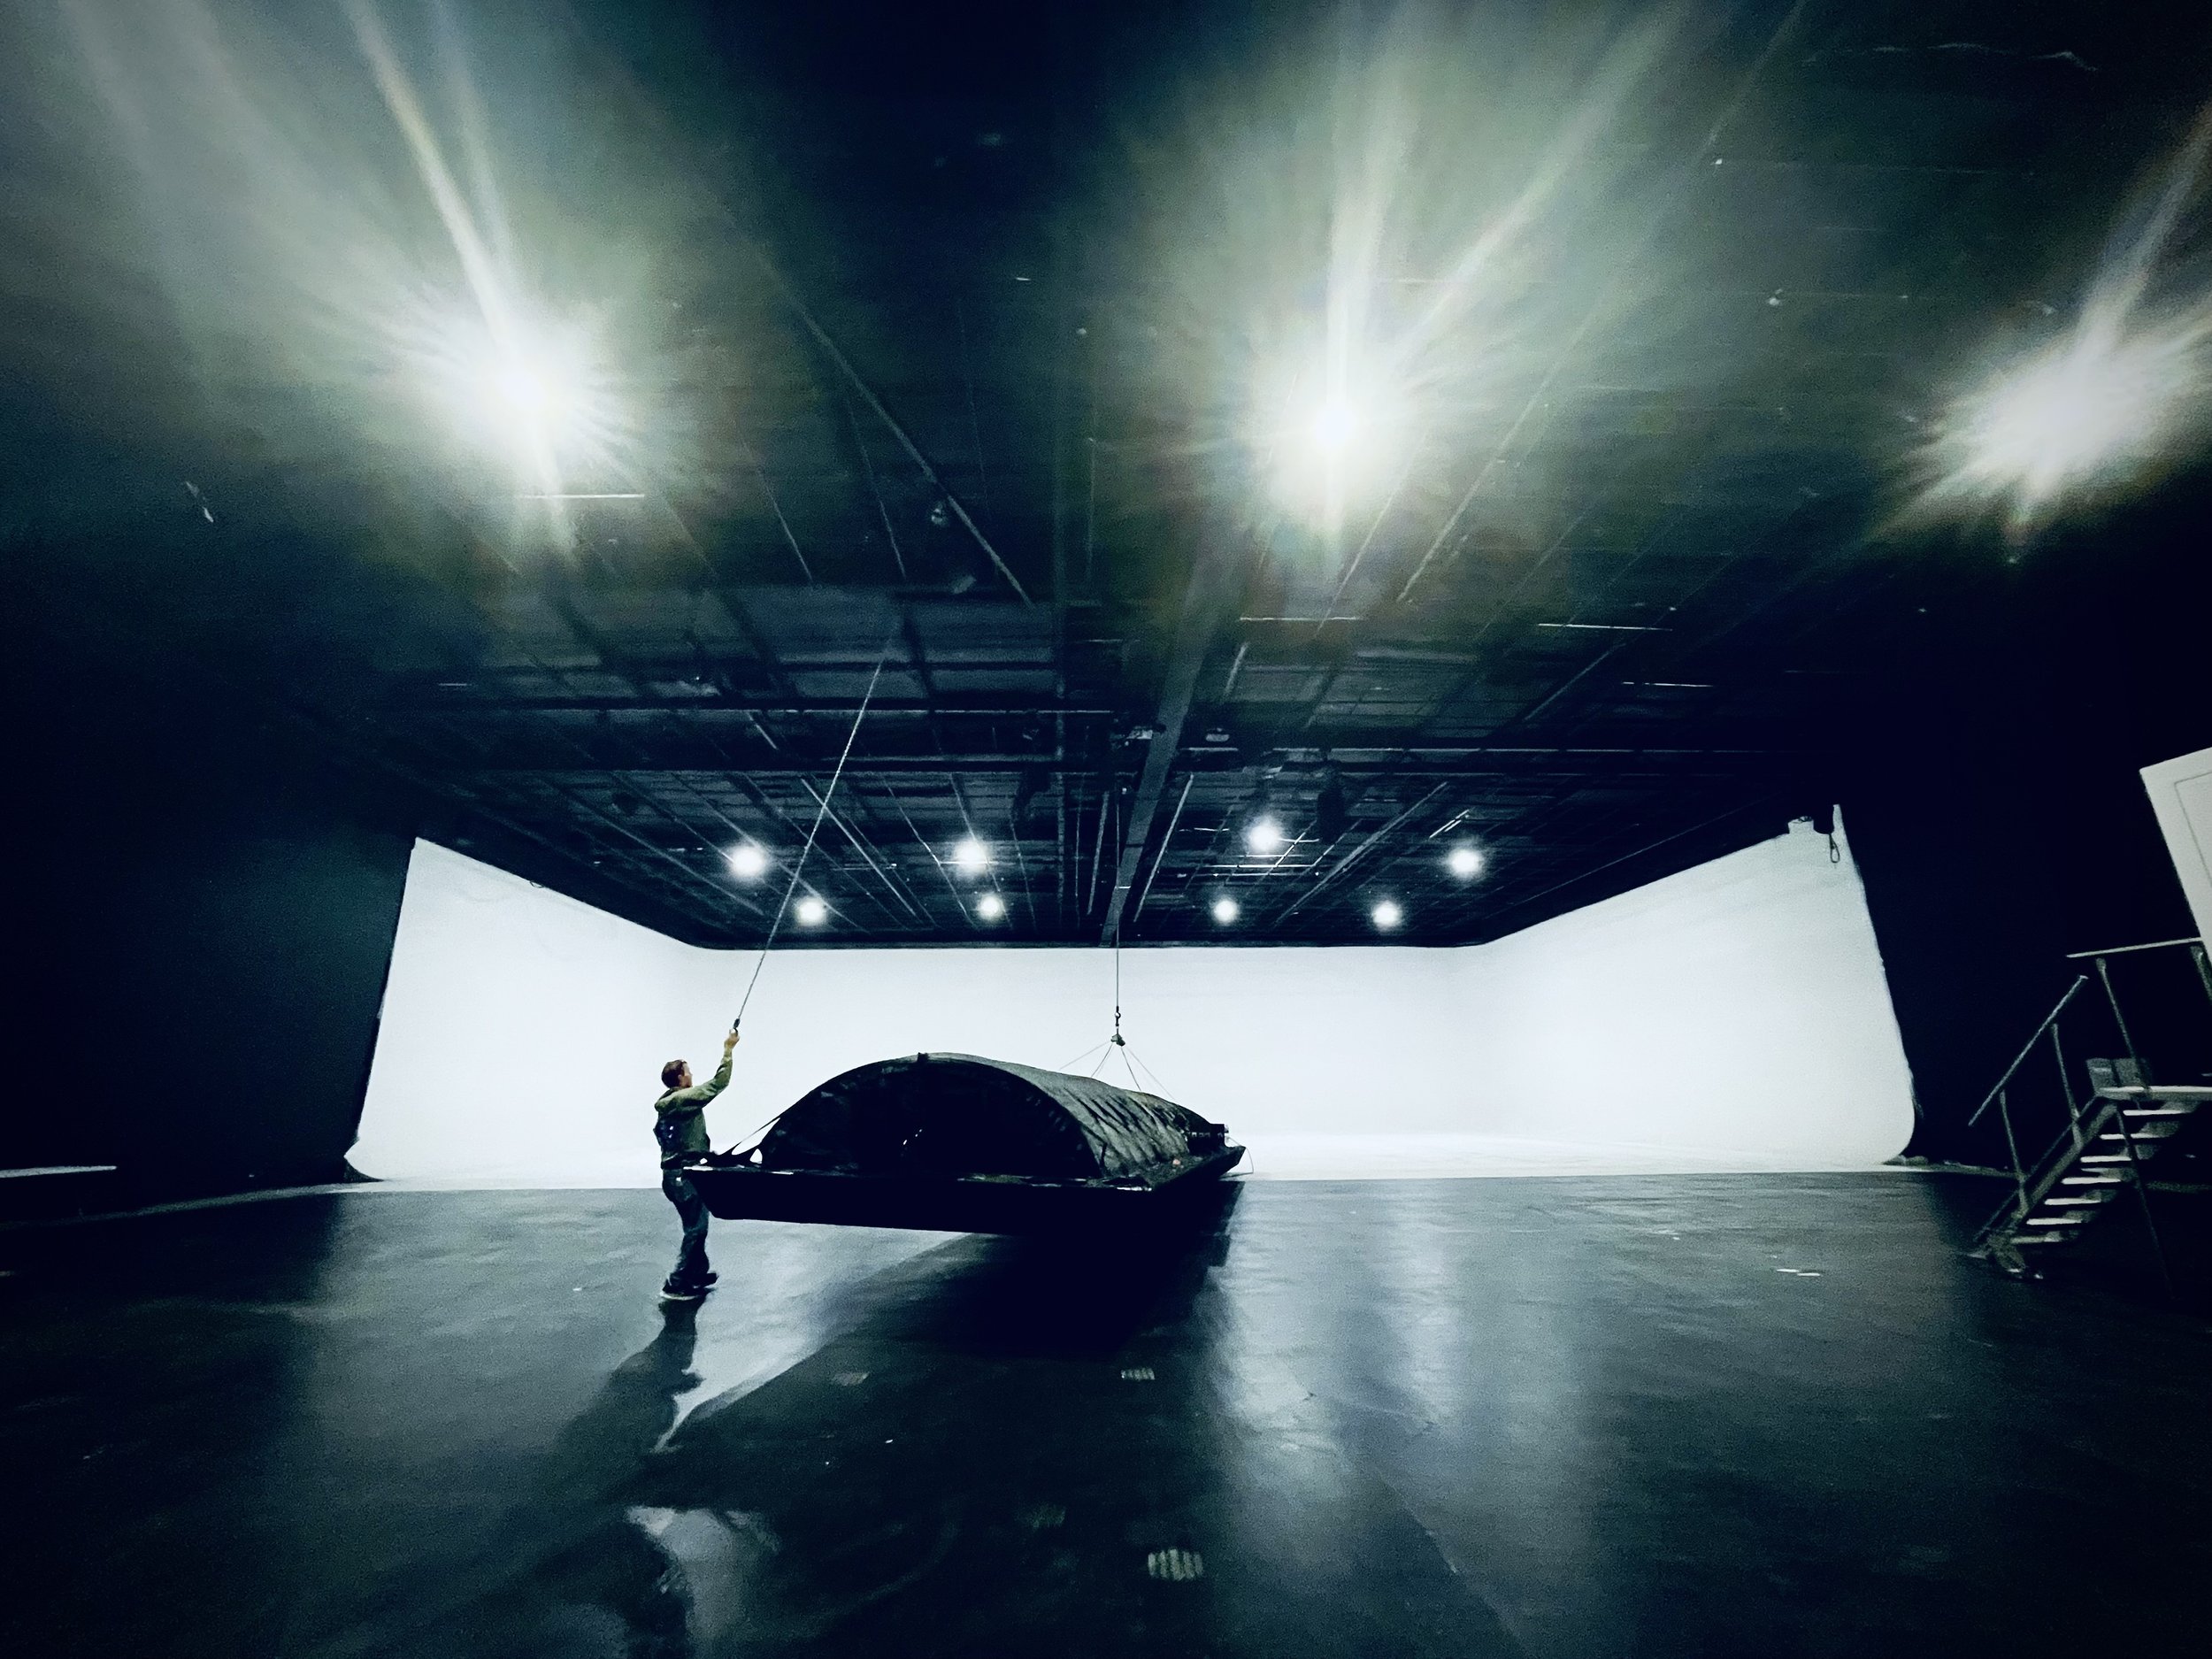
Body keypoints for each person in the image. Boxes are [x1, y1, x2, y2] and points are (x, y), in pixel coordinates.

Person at [651, 1025, 739, 1301]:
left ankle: (697, 1273)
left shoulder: (671, 1103)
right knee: (696, 1229)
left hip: (676, 1175)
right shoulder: (682, 1099)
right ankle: (676, 1283)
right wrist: (728, 1049)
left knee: (696, 1226)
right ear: (680, 1077)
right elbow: (718, 1084)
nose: (691, 1075)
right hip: (683, 1177)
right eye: (688, 1072)